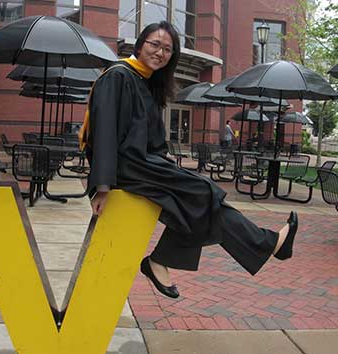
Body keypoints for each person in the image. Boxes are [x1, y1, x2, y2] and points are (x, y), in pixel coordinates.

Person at [80, 21, 298, 299]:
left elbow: (149, 137)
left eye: (167, 49)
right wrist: (102, 184)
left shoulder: (144, 82)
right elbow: (105, 131)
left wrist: (164, 159)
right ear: (140, 44)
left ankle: (265, 244)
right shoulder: (118, 76)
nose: (160, 52)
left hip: (142, 165)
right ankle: (263, 244)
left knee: (201, 199)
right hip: (127, 169)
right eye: (155, 44)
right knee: (203, 193)